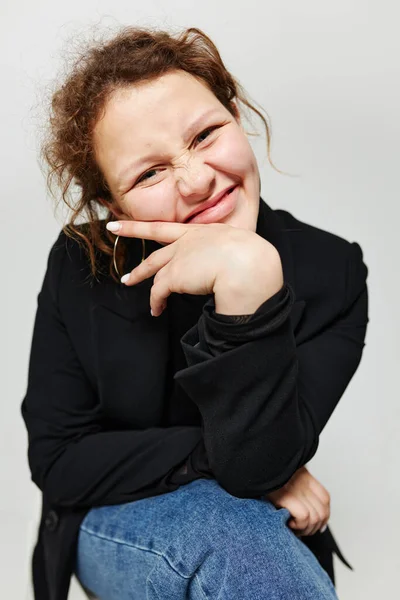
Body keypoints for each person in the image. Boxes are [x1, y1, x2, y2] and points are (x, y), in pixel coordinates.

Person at [21, 25, 369, 600]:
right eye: (149, 173)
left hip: (256, 532)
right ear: (113, 202)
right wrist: (218, 457)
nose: (198, 180)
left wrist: (249, 286)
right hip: (113, 519)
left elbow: (254, 466)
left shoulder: (333, 273)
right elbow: (60, 462)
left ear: (236, 115)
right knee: (228, 529)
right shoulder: (80, 264)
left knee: (240, 530)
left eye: (206, 135)